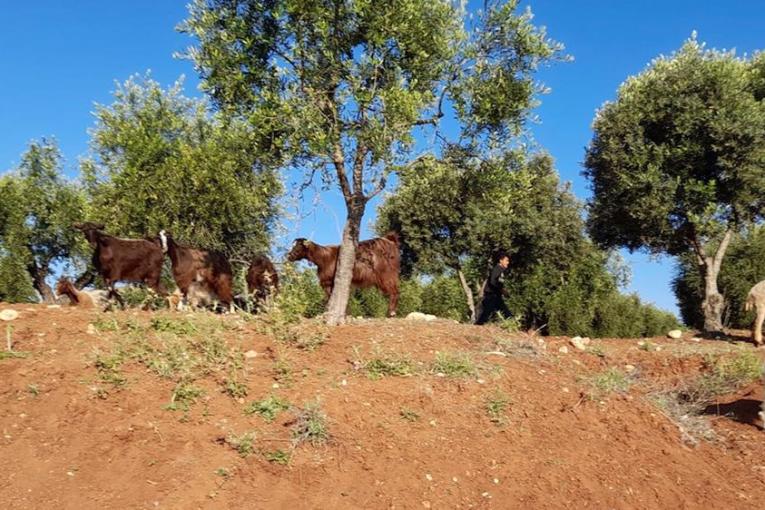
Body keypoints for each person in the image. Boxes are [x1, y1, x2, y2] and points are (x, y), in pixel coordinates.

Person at [475, 252, 512, 325]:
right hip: (491, 295)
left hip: (496, 296)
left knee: (505, 312)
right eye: (506, 260)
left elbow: (497, 282)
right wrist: (502, 290)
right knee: (486, 314)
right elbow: (492, 281)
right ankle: (476, 327)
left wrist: (503, 290)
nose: (508, 262)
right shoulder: (497, 269)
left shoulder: (501, 271)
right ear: (501, 260)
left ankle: (512, 325)